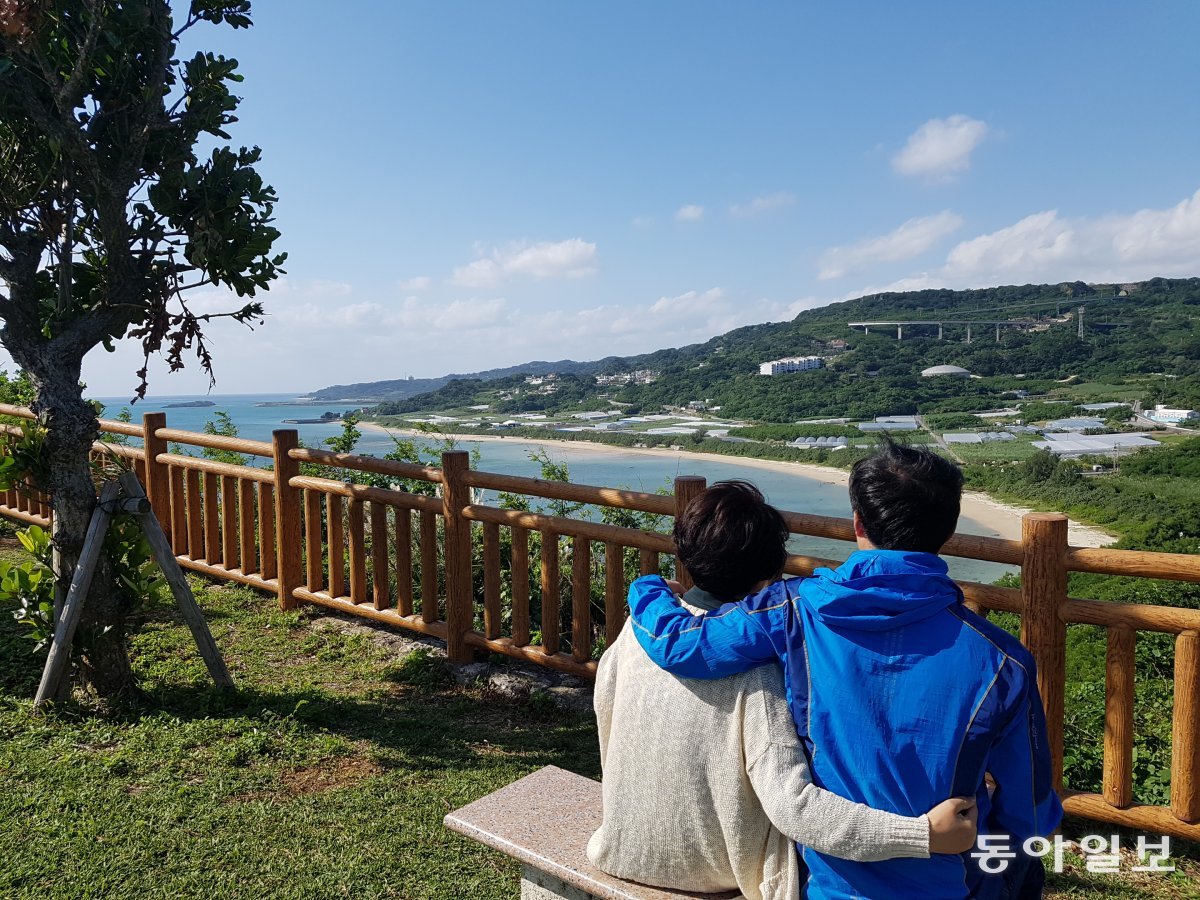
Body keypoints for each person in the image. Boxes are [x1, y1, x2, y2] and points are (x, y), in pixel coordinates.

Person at [626, 441, 1062, 899]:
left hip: (826, 881)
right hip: (946, 881)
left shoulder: (793, 609)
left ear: (858, 522)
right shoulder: (1002, 661)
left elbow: (679, 644)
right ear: (947, 529)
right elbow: (1028, 812)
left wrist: (649, 586)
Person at [588, 480, 978, 900]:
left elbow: (605, 717)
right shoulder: (759, 670)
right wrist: (923, 834)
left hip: (619, 847)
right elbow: (794, 807)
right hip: (715, 872)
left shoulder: (639, 629)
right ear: (771, 571)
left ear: (685, 552)